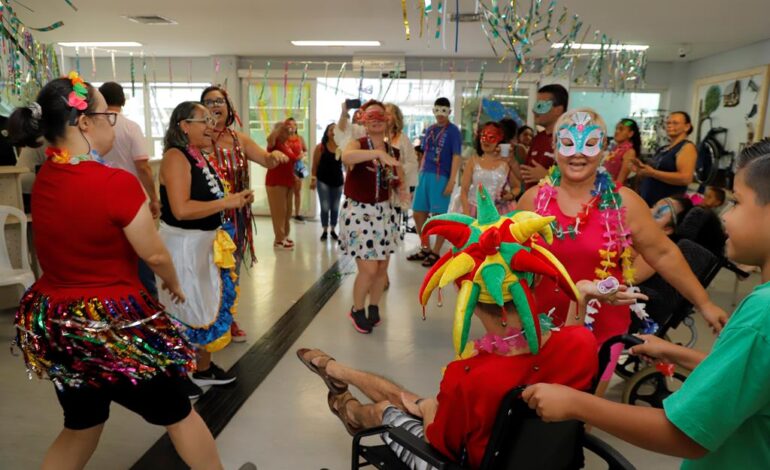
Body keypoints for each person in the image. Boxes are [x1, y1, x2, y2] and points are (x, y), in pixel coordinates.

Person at [297, 192, 646, 469]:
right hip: (549, 461)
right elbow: (571, 335)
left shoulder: (468, 375)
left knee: (388, 410)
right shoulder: (581, 343)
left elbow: (439, 440)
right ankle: (335, 370)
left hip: (460, 462)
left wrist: (430, 407)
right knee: (410, 400)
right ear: (534, 278)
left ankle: (349, 409)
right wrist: (579, 294)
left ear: (467, 296)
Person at [9, 73, 224, 469]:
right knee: (179, 414)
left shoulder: (46, 180)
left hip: (60, 325)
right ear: (84, 123)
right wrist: (174, 283)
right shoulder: (115, 183)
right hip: (113, 328)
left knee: (81, 424)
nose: (113, 123)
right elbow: (155, 255)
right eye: (107, 115)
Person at [523, 139, 770, 470]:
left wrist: (577, 403)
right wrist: (676, 352)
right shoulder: (535, 198)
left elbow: (686, 434)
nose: (725, 215)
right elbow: (746, 377)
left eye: (737, 202)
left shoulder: (761, 316)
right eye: (566, 142)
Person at [517, 109, 729, 398]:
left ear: (603, 149)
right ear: (555, 148)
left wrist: (704, 303)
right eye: (568, 143)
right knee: (532, 410)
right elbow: (511, 261)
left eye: (589, 144)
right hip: (542, 324)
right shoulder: (532, 201)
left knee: (581, 413)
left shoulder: (623, 203)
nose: (578, 154)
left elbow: (663, 254)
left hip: (601, 329)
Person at [158, 101, 255, 394]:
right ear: (184, 126)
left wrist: (233, 199)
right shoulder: (176, 157)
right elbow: (182, 209)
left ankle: (203, 369)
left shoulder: (199, 155)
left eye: (212, 120)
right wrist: (227, 202)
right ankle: (178, 376)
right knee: (184, 308)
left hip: (203, 245)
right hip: (183, 247)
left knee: (205, 304)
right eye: (204, 120)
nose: (212, 126)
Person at [201, 85, 288, 342]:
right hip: (207, 219)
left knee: (231, 272)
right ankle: (206, 321)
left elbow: (265, 159)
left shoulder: (240, 139)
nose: (215, 105)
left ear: (229, 108)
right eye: (208, 101)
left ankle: (227, 319)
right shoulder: (198, 139)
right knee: (207, 274)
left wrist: (275, 157)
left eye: (220, 101)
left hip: (235, 221)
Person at [340, 100, 406, 333]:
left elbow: (398, 179)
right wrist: (376, 152)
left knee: (381, 268)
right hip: (359, 212)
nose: (377, 120)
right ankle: (357, 309)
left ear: (388, 120)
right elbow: (346, 158)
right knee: (368, 269)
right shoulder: (356, 144)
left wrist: (403, 192)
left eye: (381, 115)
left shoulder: (394, 151)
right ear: (363, 121)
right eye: (371, 116)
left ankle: (374, 306)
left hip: (384, 213)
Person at [98, 81, 160, 299]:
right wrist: (154, 198)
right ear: (123, 101)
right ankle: (148, 302)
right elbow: (142, 167)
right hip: (132, 199)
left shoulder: (92, 126)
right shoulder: (131, 127)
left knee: (110, 255)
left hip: (101, 199)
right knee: (141, 252)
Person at [408, 97, 463, 268]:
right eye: (437, 110)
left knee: (438, 216)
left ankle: (436, 252)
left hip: (442, 176)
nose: (440, 115)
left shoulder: (453, 131)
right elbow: (424, 153)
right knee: (418, 213)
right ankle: (425, 247)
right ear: (433, 110)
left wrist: (452, 180)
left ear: (449, 112)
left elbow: (456, 156)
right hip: (425, 174)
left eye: (444, 111)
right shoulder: (430, 129)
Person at [450, 121, 518, 216]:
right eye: (484, 136)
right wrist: (467, 214)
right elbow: (464, 190)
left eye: (492, 137)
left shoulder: (505, 163)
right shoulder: (473, 161)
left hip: (499, 211)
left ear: (499, 140)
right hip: (474, 209)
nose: (486, 141)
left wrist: (510, 195)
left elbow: (517, 187)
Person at [636, 112, 697, 206]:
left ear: (687, 127)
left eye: (675, 123)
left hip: (667, 205)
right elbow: (652, 171)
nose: (670, 126)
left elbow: (685, 178)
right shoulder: (663, 149)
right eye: (668, 123)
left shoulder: (687, 147)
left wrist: (653, 173)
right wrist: (641, 170)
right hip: (649, 201)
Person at [520, 84, 569, 189]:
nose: (534, 111)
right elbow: (525, 176)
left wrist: (547, 176)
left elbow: (577, 182)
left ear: (558, 110)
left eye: (540, 106)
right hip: (531, 203)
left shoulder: (569, 141)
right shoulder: (538, 138)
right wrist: (510, 162)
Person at [266, 119, 302, 249]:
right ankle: (279, 239)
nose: (287, 133)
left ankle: (285, 236)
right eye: (284, 131)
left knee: (287, 211)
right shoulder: (273, 144)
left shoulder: (286, 145)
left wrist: (294, 176)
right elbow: (270, 138)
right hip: (276, 182)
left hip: (288, 182)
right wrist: (279, 127)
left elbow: (289, 164)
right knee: (279, 212)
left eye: (287, 131)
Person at [310, 123, 344, 241]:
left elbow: (347, 165)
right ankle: (325, 229)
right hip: (323, 180)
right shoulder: (321, 147)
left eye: (335, 130)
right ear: (327, 132)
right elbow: (315, 165)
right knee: (325, 206)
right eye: (331, 130)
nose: (333, 132)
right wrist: (313, 180)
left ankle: (333, 229)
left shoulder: (342, 147)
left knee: (335, 206)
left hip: (338, 181)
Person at [283, 117, 309, 223]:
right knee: (286, 192)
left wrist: (302, 155)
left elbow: (305, 150)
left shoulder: (300, 138)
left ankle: (297, 214)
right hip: (287, 166)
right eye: (289, 124)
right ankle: (285, 213)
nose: (292, 126)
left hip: (299, 166)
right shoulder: (283, 138)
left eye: (294, 124)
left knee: (297, 191)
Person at [605, 118, 641, 186]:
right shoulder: (614, 149)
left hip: (612, 191)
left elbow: (620, 181)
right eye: (616, 128)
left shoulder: (630, 152)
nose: (617, 131)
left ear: (630, 134)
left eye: (621, 129)